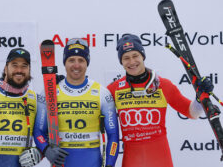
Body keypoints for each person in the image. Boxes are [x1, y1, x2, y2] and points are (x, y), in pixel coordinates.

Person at [107, 34, 214, 167]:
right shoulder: (113, 89)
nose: (132, 62)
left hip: (161, 159)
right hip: (132, 160)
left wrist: (199, 97)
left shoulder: (163, 85)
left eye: (135, 56)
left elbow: (192, 113)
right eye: (126, 58)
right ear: (121, 62)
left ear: (142, 56)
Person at [32, 38, 120, 167]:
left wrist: (110, 164)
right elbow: (39, 131)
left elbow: (113, 135)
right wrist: (46, 149)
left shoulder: (102, 93)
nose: (76, 65)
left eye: (81, 60)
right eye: (71, 60)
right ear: (65, 62)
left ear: (87, 63)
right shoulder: (49, 92)